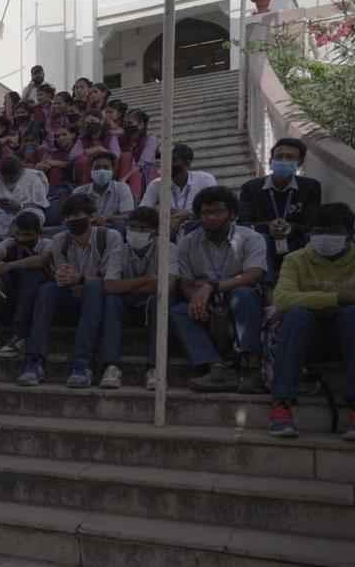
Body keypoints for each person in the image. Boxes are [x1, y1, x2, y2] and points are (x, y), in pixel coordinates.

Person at [268, 203, 355, 440]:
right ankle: (282, 405)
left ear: (350, 234)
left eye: (332, 231)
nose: (324, 237)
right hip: (310, 337)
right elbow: (282, 299)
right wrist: (345, 297)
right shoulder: (295, 259)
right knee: (297, 315)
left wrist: (312, 301)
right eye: (318, 231)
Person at [19, 193, 126, 388]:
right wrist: (65, 278)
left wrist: (81, 279)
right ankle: (34, 361)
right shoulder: (60, 240)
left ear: (91, 216)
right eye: (68, 216)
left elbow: (111, 281)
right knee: (47, 289)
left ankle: (82, 364)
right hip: (72, 297)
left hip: (100, 299)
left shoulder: (110, 237)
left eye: (77, 215)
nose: (72, 220)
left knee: (93, 287)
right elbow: (63, 275)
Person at [169, 186, 268, 393]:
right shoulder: (187, 242)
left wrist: (211, 287)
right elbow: (185, 282)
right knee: (179, 311)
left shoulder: (251, 238)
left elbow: (253, 274)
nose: (211, 218)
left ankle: (251, 367)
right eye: (205, 212)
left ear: (232, 214)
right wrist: (197, 300)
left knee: (243, 294)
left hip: (238, 296)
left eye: (218, 212)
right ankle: (215, 367)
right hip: (206, 300)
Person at [103, 207, 176, 390]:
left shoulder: (168, 248)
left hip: (153, 304)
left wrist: (127, 286)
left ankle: (155, 368)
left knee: (161, 300)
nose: (136, 232)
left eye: (143, 229)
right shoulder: (119, 249)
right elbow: (110, 286)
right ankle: (111, 366)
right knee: (111, 300)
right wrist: (147, 280)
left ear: (155, 231)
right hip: (126, 305)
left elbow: (168, 286)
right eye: (133, 227)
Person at [238, 137, 323, 271]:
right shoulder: (251, 188)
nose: (283, 160)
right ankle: (267, 281)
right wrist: (268, 227)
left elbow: (312, 224)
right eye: (279, 156)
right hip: (263, 242)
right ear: (271, 160)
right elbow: (243, 223)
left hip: (296, 241)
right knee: (260, 240)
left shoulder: (310, 187)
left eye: (290, 157)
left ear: (300, 162)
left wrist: (290, 228)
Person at [0, 213, 51, 359]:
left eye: (28, 235)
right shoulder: (10, 242)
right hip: (12, 293)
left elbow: (41, 260)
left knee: (32, 274)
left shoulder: (47, 243)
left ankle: (19, 335)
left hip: (39, 296)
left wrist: (8, 266)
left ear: (39, 233)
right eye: (19, 234)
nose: (22, 238)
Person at [142, 143, 217, 235]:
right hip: (167, 233)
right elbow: (141, 213)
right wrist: (157, 213)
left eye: (172, 160)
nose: (166, 164)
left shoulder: (205, 179)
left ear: (187, 163)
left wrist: (189, 215)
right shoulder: (155, 184)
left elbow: (215, 209)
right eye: (163, 160)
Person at [0, 155, 48, 244]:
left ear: (20, 172)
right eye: (5, 177)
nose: (8, 180)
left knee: (29, 217)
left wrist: (20, 206)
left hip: (28, 210)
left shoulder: (34, 177)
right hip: (4, 211)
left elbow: (40, 204)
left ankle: (14, 242)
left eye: (11, 177)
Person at [71, 149, 134, 227]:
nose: (101, 171)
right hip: (86, 229)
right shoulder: (79, 192)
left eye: (106, 167)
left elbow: (128, 215)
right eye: (97, 167)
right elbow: (72, 216)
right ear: (90, 170)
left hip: (113, 228)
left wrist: (106, 218)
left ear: (113, 171)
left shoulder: (122, 188)